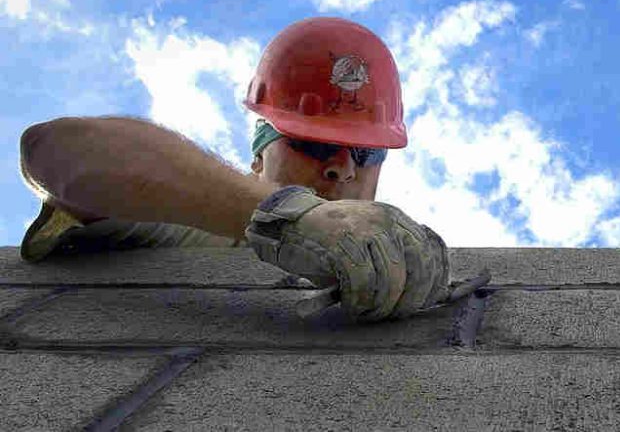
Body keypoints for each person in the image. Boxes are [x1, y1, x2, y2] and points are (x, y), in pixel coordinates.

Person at [18, 17, 450, 322]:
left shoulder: (397, 275)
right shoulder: (184, 225)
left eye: (365, 152)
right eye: (312, 144)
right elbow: (53, 149)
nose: (342, 168)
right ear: (260, 155)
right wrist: (292, 216)